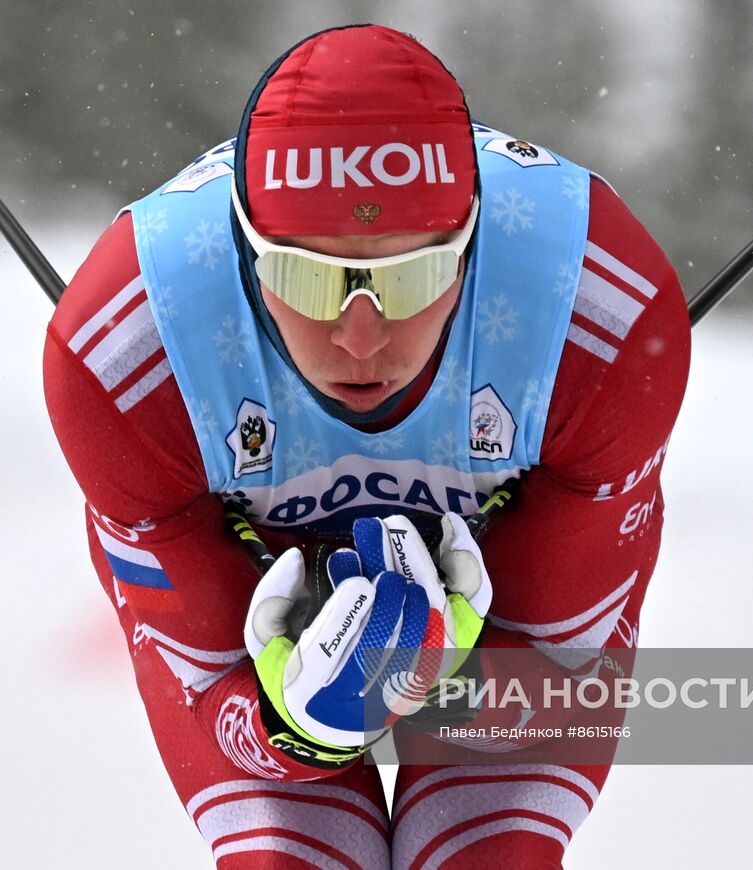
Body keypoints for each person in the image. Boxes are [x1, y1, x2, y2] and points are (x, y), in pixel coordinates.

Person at [44, 23, 689, 869]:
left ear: (469, 248)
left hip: (501, 577)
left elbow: (557, 668)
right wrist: (298, 727)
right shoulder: (126, 351)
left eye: (410, 277)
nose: (359, 335)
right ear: (244, 247)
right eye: (306, 277)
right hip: (257, 587)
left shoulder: (599, 316)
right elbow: (202, 680)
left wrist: (448, 686)